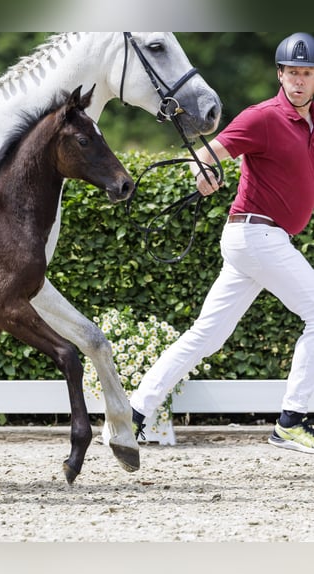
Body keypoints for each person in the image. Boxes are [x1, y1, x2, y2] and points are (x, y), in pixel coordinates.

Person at [128, 32, 314, 453]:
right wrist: (204, 176)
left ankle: (134, 412)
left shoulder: (311, 120)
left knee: (205, 336)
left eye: (307, 73)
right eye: (292, 73)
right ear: (280, 75)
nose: (299, 81)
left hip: (257, 240)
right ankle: (292, 421)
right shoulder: (263, 117)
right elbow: (212, 153)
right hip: (256, 233)